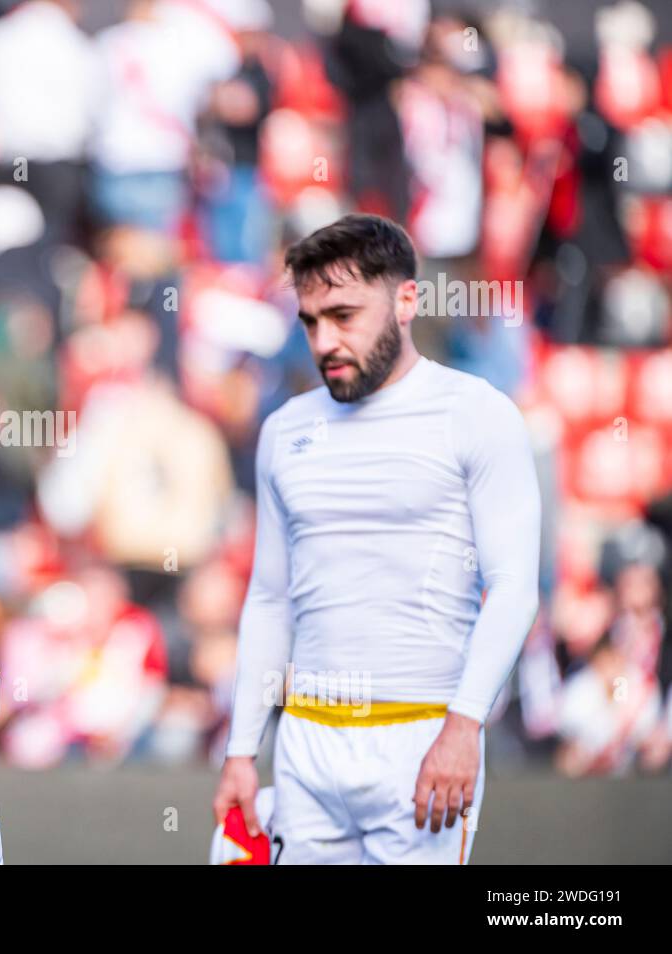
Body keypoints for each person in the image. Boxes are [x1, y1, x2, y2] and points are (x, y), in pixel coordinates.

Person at [211, 214, 541, 864]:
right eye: (309, 321)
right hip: (304, 746)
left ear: (407, 301)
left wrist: (463, 727)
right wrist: (242, 753)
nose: (324, 340)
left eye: (343, 315)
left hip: (419, 743)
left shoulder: (478, 414)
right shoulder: (284, 431)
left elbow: (513, 589)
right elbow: (270, 598)